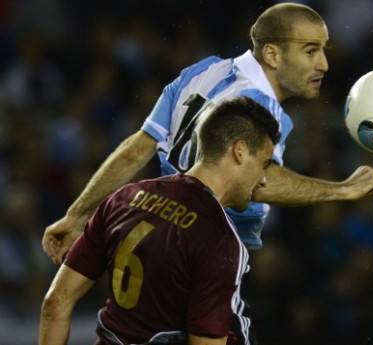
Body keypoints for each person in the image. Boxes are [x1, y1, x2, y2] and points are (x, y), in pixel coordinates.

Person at [43, 2, 373, 261]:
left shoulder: (203, 71)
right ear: (272, 54)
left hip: (159, 245)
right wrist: (342, 191)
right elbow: (261, 183)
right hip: (207, 257)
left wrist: (76, 215)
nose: (323, 64)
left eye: (324, 50)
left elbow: (137, 148)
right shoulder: (257, 106)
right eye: (311, 51)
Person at [39, 97, 281, 345]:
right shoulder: (219, 238)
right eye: (264, 164)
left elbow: (55, 303)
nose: (263, 180)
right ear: (239, 151)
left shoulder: (124, 198)